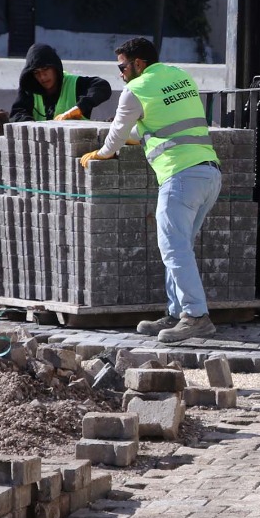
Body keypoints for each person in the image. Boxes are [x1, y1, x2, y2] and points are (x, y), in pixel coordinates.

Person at [79, 37, 221, 345]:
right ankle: (176, 312)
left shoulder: (136, 90)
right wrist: (138, 135)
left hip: (179, 175)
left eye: (122, 66)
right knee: (180, 247)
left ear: (138, 64)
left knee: (173, 248)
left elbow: (117, 134)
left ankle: (196, 318)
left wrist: (103, 153)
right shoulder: (178, 76)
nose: (120, 73)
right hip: (208, 173)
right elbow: (163, 123)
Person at [9, 43, 113, 123]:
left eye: (45, 69)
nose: (42, 76)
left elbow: (102, 87)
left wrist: (79, 108)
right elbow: (17, 114)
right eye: (36, 73)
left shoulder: (74, 84)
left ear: (55, 68)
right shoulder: (29, 89)